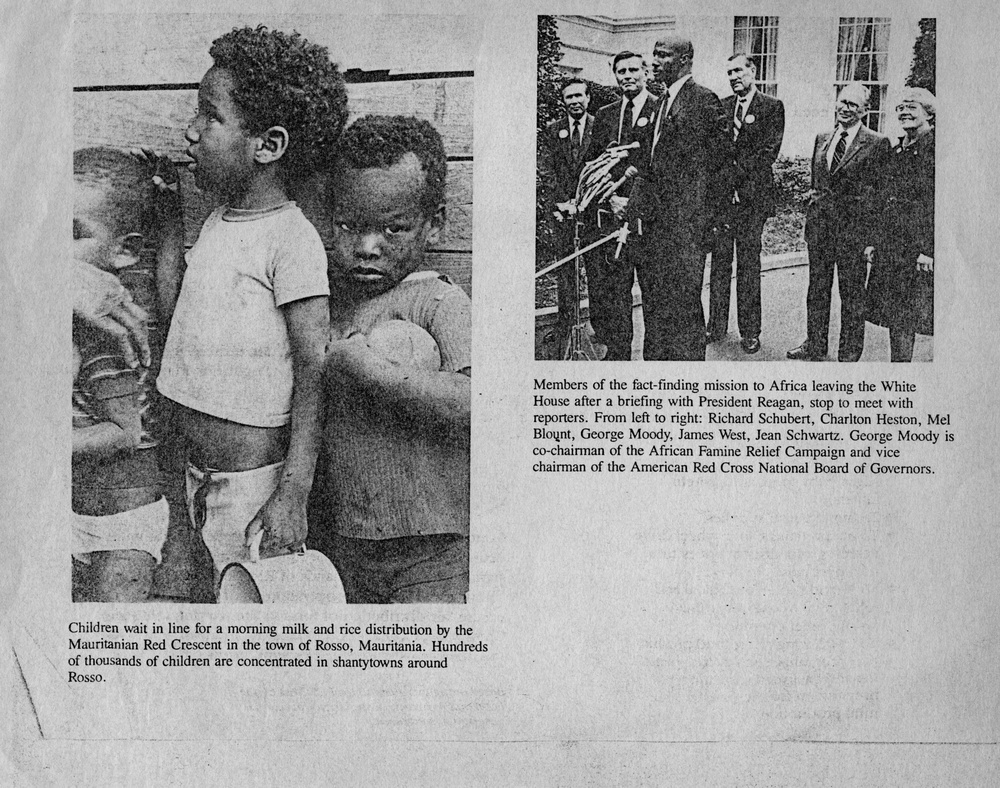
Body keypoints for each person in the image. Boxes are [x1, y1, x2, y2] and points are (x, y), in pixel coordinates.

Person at [154, 26, 348, 587]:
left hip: (252, 492)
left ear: (268, 145)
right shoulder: (218, 223)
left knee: (250, 620)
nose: (190, 130)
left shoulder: (292, 239)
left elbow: (316, 367)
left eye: (208, 115)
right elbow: (177, 317)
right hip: (191, 479)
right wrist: (168, 221)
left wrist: (293, 493)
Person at [311, 115, 471, 604]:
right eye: (348, 226)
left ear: (435, 223)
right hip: (341, 543)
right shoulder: (324, 303)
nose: (366, 247)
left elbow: (478, 403)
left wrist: (370, 370)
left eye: (393, 228)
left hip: (433, 547)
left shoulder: (439, 302)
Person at [72, 147, 168, 602]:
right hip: (73, 511)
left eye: (73, 233)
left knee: (113, 633)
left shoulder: (110, 334)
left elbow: (124, 433)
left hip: (121, 521)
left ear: (125, 251)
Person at [627, 35, 730, 361]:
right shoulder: (661, 102)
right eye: (653, 54)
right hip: (656, 230)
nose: (654, 61)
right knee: (656, 303)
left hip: (686, 232)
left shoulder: (703, 101)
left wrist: (709, 226)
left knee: (684, 310)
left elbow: (721, 170)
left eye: (663, 55)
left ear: (685, 59)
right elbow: (652, 166)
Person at [788, 82, 890, 362]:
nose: (846, 108)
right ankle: (815, 345)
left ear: (865, 110)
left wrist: (871, 238)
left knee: (852, 293)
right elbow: (816, 182)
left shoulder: (877, 143)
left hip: (852, 232)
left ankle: (849, 352)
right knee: (817, 290)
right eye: (843, 102)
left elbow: (880, 195)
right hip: (820, 229)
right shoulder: (822, 137)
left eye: (853, 105)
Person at [707, 54, 785, 354]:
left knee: (749, 264)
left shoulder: (771, 106)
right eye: (729, 72)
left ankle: (750, 331)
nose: (733, 76)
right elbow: (714, 150)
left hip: (752, 199)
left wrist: (735, 179)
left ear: (753, 72)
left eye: (738, 70)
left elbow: (768, 152)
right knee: (720, 263)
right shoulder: (722, 107)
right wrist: (723, 184)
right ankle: (715, 326)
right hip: (724, 201)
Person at [586, 51, 660, 360]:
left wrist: (638, 200)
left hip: (650, 220)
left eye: (633, 70)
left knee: (654, 293)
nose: (627, 76)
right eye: (621, 71)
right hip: (614, 218)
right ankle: (618, 356)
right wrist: (610, 197)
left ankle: (654, 360)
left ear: (645, 72)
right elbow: (595, 163)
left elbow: (663, 166)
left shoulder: (660, 109)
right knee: (615, 293)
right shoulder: (605, 114)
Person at [865, 88, 936, 362]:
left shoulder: (934, 150)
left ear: (929, 114)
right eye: (900, 108)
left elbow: (935, 204)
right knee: (896, 314)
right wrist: (873, 241)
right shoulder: (896, 149)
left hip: (917, 249)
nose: (904, 112)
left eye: (912, 107)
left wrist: (928, 249)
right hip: (892, 247)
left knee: (912, 315)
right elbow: (882, 200)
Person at [539, 79, 595, 356]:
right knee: (566, 269)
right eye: (569, 97)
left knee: (596, 269)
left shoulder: (600, 125)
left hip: (593, 211)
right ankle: (566, 324)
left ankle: (599, 325)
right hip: (563, 211)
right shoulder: (553, 130)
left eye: (579, 96)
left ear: (587, 98)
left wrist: (585, 200)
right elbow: (547, 170)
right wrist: (561, 202)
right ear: (564, 101)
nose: (574, 101)